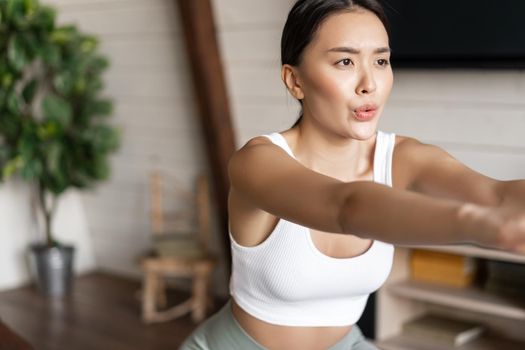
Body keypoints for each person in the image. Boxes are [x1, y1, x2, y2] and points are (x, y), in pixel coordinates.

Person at [180, 0, 525, 349]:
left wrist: (500, 210)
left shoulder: (402, 158)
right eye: (345, 61)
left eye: (381, 61)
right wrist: (480, 225)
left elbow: (496, 194)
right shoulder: (256, 162)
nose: (369, 83)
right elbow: (344, 207)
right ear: (295, 80)